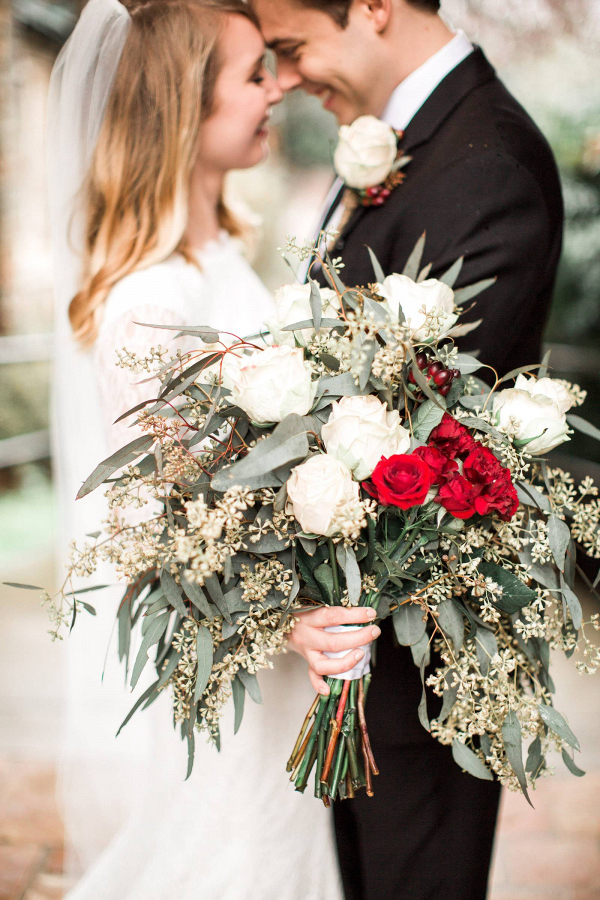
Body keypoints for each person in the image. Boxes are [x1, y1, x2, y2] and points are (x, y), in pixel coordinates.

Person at [48, 0, 377, 896]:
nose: (279, 89)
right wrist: (288, 617)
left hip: (282, 666)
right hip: (242, 668)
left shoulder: (221, 255)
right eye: (252, 74)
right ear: (184, 111)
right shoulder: (144, 302)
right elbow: (162, 535)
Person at [253, 0, 564, 898]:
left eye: (292, 46)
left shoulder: (488, 160)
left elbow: (428, 418)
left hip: (424, 647)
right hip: (361, 643)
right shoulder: (413, 138)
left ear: (375, 8)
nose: (291, 77)